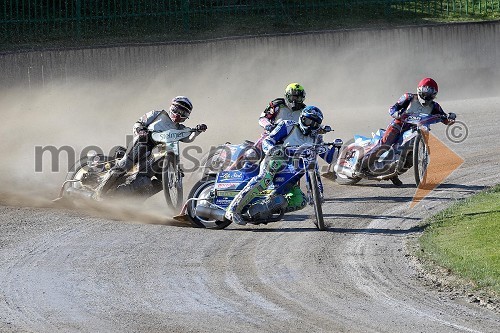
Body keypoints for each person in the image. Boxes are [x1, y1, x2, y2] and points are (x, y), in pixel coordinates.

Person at [225, 105, 332, 225]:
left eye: (314, 124)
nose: (310, 126)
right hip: (276, 159)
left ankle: (263, 210)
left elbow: (328, 156)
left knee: (300, 200)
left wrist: (336, 150)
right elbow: (267, 140)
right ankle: (233, 209)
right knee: (264, 179)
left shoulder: (316, 138)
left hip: (293, 171)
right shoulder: (288, 125)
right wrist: (272, 148)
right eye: (308, 121)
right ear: (301, 118)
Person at [93, 96, 207, 200]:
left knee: (147, 181)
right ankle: (99, 193)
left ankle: (121, 198)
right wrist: (140, 130)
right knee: (124, 165)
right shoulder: (156, 115)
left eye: (183, 113)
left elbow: (189, 138)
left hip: (159, 153)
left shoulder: (180, 129)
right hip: (144, 142)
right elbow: (138, 123)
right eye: (177, 110)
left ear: (187, 117)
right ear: (172, 107)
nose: (178, 115)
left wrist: (197, 131)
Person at [363, 77, 456, 185]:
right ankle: (362, 165)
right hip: (398, 125)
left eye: (431, 91)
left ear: (435, 93)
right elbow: (393, 108)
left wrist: (450, 118)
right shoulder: (408, 97)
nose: (428, 94)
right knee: (385, 144)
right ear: (420, 89)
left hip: (418, 131)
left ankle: (393, 174)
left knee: (410, 156)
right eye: (426, 90)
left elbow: (445, 119)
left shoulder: (435, 106)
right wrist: (397, 114)